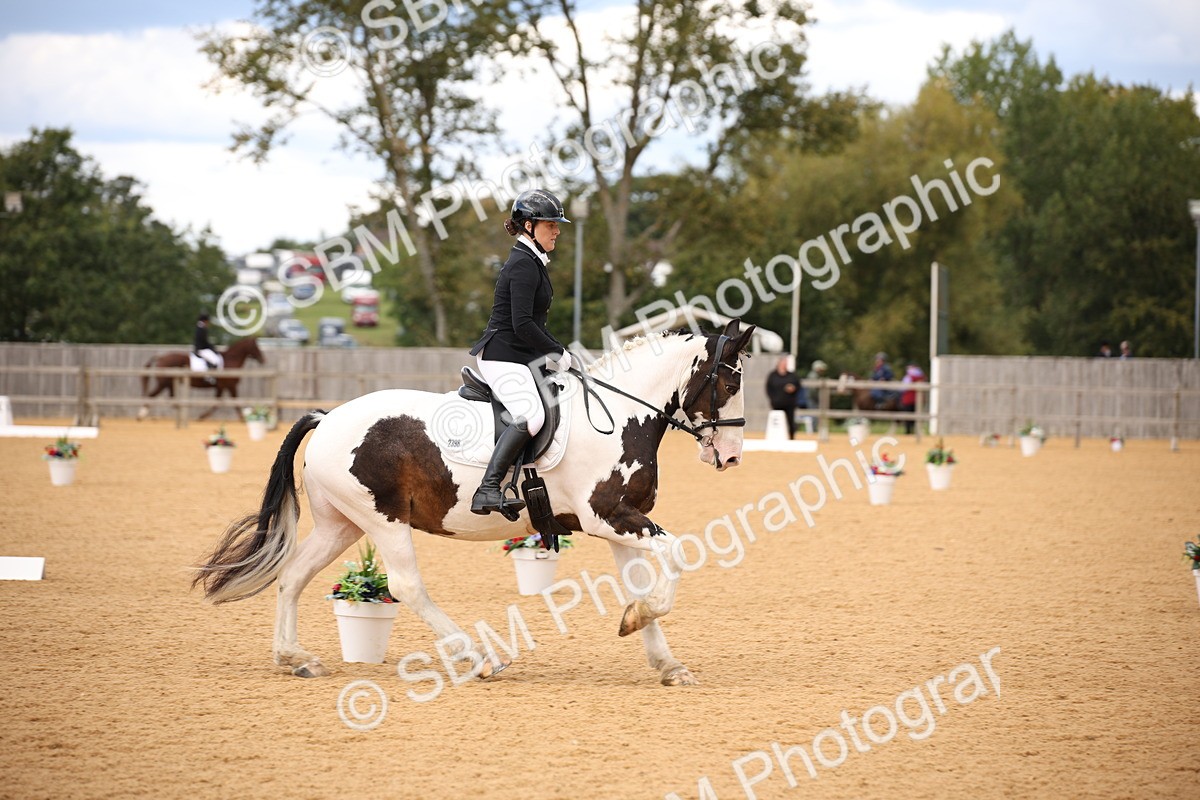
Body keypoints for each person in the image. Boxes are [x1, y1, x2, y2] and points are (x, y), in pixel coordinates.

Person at [468, 189, 571, 516]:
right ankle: (487, 489)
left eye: (557, 224)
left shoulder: (532, 261)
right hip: (501, 354)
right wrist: (556, 351)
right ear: (528, 225)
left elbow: (532, 323)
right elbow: (523, 323)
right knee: (531, 415)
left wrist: (554, 351)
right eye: (550, 224)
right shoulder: (523, 264)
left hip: (519, 355)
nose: (557, 230)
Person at [765, 356, 801, 439]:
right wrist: (772, 399)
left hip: (789, 403)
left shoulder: (792, 375)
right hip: (776, 403)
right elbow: (768, 388)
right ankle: (775, 437)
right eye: (783, 363)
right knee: (777, 421)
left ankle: (792, 437)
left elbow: (798, 386)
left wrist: (793, 388)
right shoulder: (772, 375)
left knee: (790, 421)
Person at [193, 313, 223, 385]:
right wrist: (212, 347)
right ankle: (209, 377)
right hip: (201, 349)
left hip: (202, 348)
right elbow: (204, 341)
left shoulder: (200, 327)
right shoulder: (201, 328)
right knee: (215, 360)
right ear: (205, 321)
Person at [900, 361, 926, 434]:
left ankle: (908, 432)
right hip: (919, 400)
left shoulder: (908, 377)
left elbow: (903, 388)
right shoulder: (921, 377)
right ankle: (916, 432)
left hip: (908, 399)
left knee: (908, 416)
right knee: (916, 417)